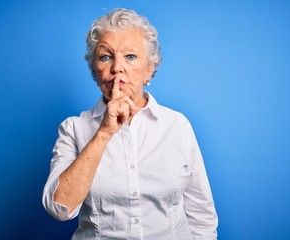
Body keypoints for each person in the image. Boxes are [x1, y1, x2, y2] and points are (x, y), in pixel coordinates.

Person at [42, 8, 218, 239]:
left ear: (150, 68)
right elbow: (59, 208)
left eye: (131, 56)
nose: (117, 67)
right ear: (95, 72)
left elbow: (201, 215)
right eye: (105, 56)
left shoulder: (177, 126)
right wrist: (104, 132)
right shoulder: (73, 129)